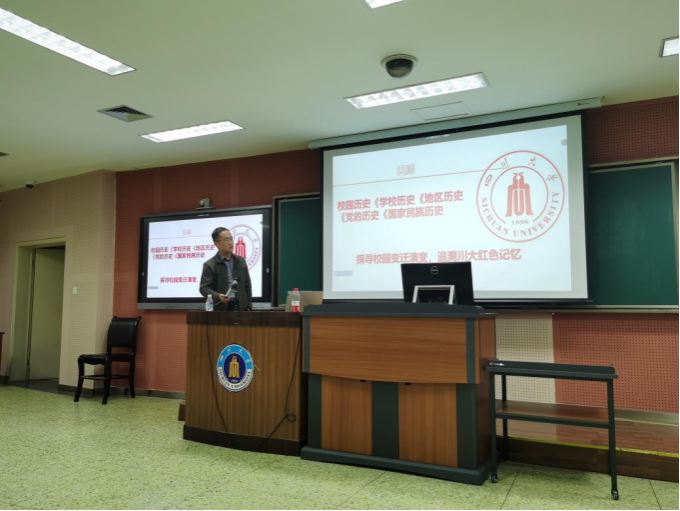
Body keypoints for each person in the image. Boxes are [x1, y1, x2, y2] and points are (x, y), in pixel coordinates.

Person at [199, 227, 253, 311]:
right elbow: (204, 289)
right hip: (222, 308)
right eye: (226, 239)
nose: (230, 242)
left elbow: (247, 285)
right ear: (216, 244)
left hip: (241, 307)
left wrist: (248, 305)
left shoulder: (241, 261)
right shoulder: (210, 265)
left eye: (231, 238)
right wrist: (218, 296)